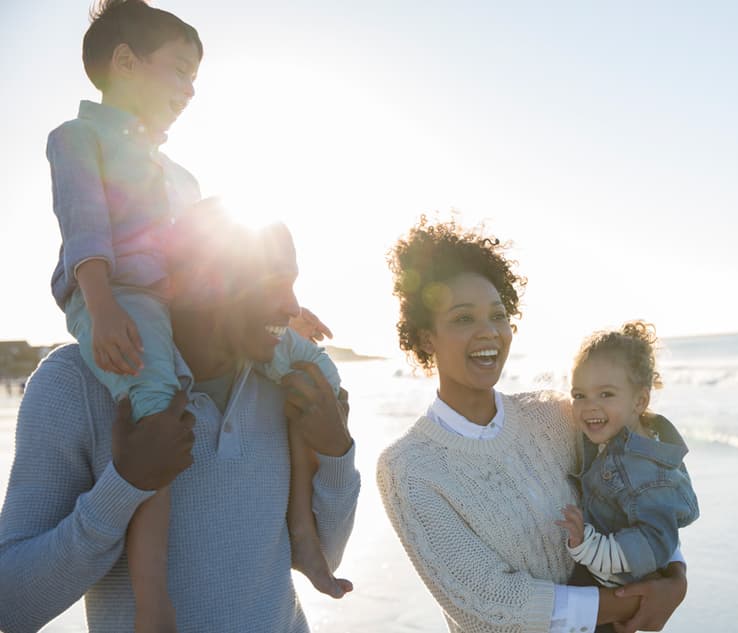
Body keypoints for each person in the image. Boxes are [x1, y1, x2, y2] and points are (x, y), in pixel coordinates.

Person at [45, 2, 346, 628]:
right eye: (178, 72)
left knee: (302, 369)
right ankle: (152, 598)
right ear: (126, 63)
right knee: (157, 404)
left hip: (164, 298)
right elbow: (84, 228)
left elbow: (212, 259)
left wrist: (282, 303)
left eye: (194, 80)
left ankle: (302, 534)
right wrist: (100, 307)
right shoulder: (77, 139)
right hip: (115, 294)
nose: (188, 91)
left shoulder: (180, 175)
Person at [0, 219, 361, 633]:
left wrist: (337, 450)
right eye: (271, 283)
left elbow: (324, 557)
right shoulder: (75, 383)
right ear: (201, 283)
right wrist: (125, 486)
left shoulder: (280, 379)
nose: (293, 307)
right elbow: (11, 606)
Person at [377, 217, 688, 633]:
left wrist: (675, 576)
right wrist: (624, 603)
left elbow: (639, 488)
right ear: (427, 337)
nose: (488, 332)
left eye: (498, 314)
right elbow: (487, 604)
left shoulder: (555, 415)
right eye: (463, 319)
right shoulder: (409, 469)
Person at [556, 322, 699, 631]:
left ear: (640, 401)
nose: (589, 406)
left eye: (605, 394)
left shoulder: (647, 474)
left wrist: (586, 544)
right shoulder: (622, 438)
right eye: (579, 394)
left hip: (614, 592)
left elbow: (650, 548)